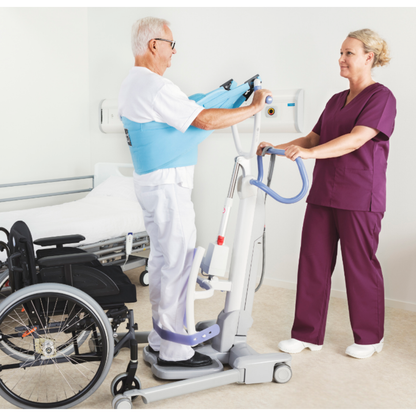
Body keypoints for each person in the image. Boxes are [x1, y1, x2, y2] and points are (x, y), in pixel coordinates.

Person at [118, 17, 271, 367]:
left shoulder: (132, 83)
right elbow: (203, 120)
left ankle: (161, 336)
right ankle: (176, 350)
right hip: (169, 188)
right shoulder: (155, 86)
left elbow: (190, 111)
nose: (173, 52)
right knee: (180, 264)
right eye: (171, 44)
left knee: (161, 260)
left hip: (151, 185)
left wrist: (223, 99)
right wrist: (251, 108)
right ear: (154, 44)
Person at [257, 28, 396, 359]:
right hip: (323, 193)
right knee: (313, 262)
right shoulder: (336, 100)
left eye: (349, 53)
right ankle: (307, 334)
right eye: (341, 52)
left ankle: (369, 338)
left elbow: (356, 139)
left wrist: (309, 154)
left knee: (359, 266)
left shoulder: (381, 97)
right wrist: (275, 148)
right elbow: (313, 139)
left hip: (361, 196)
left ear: (368, 57)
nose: (342, 58)